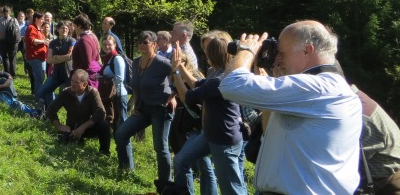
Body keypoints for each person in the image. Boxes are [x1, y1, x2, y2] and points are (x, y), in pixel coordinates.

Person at [218, 21, 362, 194]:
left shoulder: (317, 87)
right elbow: (269, 131)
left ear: (307, 50)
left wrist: (246, 50)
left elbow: (232, 85)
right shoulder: (328, 87)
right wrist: (274, 86)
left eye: (281, 52)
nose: (277, 58)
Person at [172, 32, 243, 195]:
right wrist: (181, 66)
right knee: (181, 161)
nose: (204, 53)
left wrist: (176, 72)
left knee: (232, 188)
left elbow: (187, 97)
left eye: (207, 50)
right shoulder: (217, 73)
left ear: (212, 54)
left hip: (224, 138)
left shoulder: (221, 79)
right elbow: (197, 83)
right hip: (210, 134)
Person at [114, 31, 176, 183]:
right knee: (121, 134)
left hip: (160, 108)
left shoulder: (161, 63)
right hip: (143, 108)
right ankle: (126, 169)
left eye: (146, 42)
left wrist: (174, 96)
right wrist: (135, 102)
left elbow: (178, 74)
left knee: (160, 147)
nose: (142, 45)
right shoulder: (136, 62)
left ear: (154, 45)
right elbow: (136, 85)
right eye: (140, 42)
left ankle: (165, 183)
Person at [46, 69, 112, 154]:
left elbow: (100, 112)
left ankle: (104, 152)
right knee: (63, 142)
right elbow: (50, 109)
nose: (72, 84)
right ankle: (75, 140)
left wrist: (83, 128)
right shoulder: (66, 93)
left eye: (76, 82)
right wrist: (59, 126)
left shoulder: (92, 93)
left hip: (88, 127)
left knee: (104, 125)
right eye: (72, 81)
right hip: (72, 127)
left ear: (85, 84)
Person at [354, 85, 400, 195]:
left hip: (387, 185)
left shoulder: (359, 113)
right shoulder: (357, 100)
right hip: (383, 179)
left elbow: (345, 161)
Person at [37, 20, 76, 109]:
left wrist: (56, 58)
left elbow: (69, 56)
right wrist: (62, 58)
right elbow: (49, 60)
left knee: (70, 97)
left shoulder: (71, 40)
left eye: (66, 28)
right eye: (62, 28)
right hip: (56, 73)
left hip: (68, 73)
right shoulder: (53, 43)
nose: (65, 30)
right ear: (57, 29)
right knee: (43, 91)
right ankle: (50, 111)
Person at [100, 35, 128, 129]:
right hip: (112, 95)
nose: (107, 47)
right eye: (104, 45)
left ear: (115, 45)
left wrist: (105, 79)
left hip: (119, 94)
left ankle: (125, 142)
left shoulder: (117, 59)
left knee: (121, 121)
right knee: (115, 122)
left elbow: (120, 78)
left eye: (109, 44)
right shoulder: (108, 58)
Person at [71, 14, 103, 89]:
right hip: (92, 72)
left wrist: (78, 76)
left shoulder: (84, 40)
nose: (74, 29)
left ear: (79, 26)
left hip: (87, 76)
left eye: (75, 26)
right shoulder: (92, 36)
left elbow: (86, 62)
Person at [24, 12, 49, 99]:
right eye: (41, 19)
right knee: (39, 78)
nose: (43, 21)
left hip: (41, 57)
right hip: (35, 56)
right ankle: (38, 96)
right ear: (36, 19)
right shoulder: (31, 28)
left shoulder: (39, 29)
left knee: (41, 77)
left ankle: (39, 95)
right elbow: (31, 40)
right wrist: (44, 41)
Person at [0, 6, 20, 76]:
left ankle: (7, 74)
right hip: (12, 42)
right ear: (10, 12)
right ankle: (13, 73)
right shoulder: (14, 20)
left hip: (2, 41)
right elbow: (18, 31)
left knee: (5, 58)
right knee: (12, 58)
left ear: (2, 12)